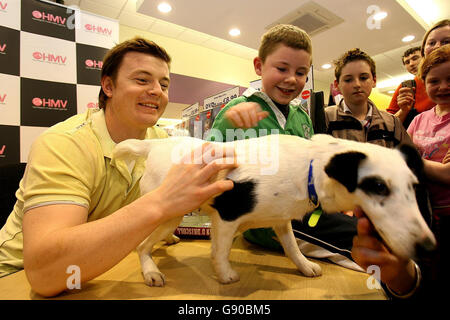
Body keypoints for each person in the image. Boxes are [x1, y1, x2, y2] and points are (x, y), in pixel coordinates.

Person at [0, 37, 236, 297]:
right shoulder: (64, 144)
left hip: (104, 266)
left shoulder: (162, 141)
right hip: (17, 277)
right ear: (108, 86)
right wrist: (161, 203)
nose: (157, 91)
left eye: (164, 84)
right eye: (142, 80)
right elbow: (46, 276)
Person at [211, 24, 362, 271]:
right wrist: (230, 124)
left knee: (364, 229)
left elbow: (314, 174)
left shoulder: (302, 117)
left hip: (302, 213)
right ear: (259, 66)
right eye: (281, 68)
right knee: (357, 241)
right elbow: (205, 167)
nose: (291, 79)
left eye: (301, 72)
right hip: (264, 223)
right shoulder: (234, 113)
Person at [353, 44, 450, 299]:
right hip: (422, 209)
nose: (442, 87)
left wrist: (414, 162)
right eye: (434, 81)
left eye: (449, 79)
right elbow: (404, 156)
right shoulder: (419, 119)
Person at [325, 48, 413, 148]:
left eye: (363, 78)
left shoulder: (392, 122)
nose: (357, 84)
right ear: (337, 85)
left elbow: (409, 159)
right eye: (348, 80)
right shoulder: (325, 118)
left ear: (374, 80)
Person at [387, 19, 450, 127]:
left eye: (446, 41)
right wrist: (404, 110)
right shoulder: (406, 87)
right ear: (424, 51)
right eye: (431, 43)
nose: (438, 46)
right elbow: (389, 125)